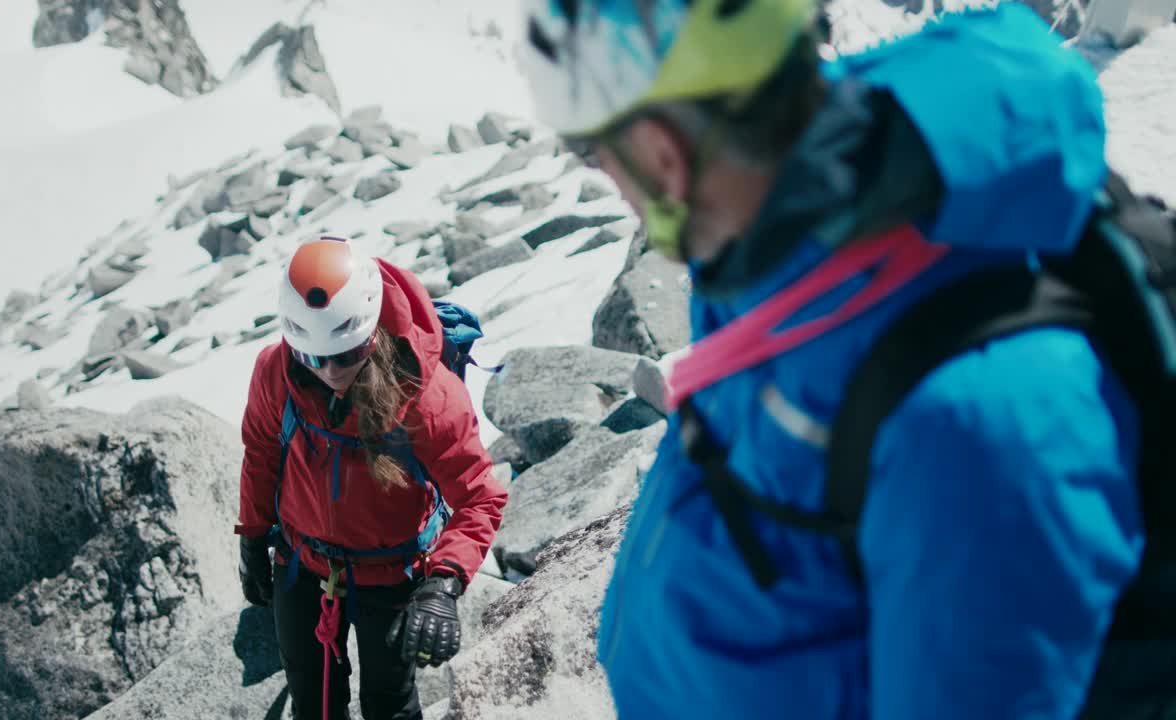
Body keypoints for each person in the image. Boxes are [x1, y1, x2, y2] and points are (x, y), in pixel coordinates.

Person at [515, 1, 1174, 718]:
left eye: (595, 153)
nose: (609, 177)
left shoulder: (974, 422)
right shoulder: (779, 226)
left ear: (660, 153)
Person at [235, 237, 508, 720]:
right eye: (313, 359)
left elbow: (480, 498)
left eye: (346, 354)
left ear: (371, 332)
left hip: (394, 574)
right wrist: (253, 539)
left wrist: (443, 584)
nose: (331, 373)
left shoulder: (428, 399)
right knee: (315, 705)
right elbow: (260, 453)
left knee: (390, 706)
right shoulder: (275, 371)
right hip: (302, 567)